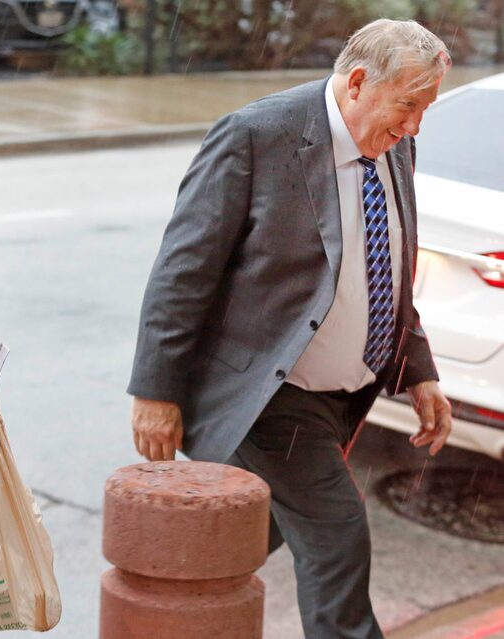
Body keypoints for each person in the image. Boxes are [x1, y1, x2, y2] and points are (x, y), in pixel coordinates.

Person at [128, 19, 454, 639]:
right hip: (270, 392)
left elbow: (386, 268)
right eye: (409, 105)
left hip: (342, 397)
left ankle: (160, 617)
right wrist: (155, 392)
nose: (414, 126)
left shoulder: (394, 143)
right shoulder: (257, 135)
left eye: (425, 110)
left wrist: (420, 371)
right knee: (337, 543)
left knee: (242, 541)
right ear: (357, 82)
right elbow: (183, 272)